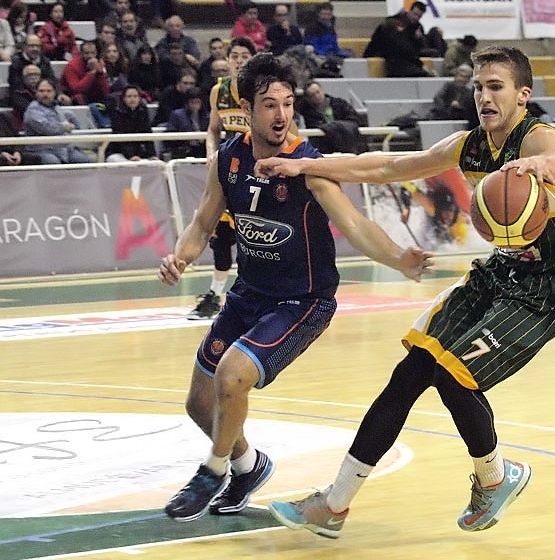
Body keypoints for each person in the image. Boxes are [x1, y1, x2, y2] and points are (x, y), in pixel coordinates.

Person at [257, 45, 555, 538]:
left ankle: (496, 477)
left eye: (496, 87)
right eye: (478, 87)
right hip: (501, 272)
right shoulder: (469, 145)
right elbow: (389, 166)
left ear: (522, 95)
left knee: (454, 376)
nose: (484, 97)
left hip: (549, 285)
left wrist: (540, 166)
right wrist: (306, 166)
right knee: (410, 373)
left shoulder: (536, 137)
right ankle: (333, 505)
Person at [156, 52, 432, 522]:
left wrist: (398, 258)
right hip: (249, 294)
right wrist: (181, 256)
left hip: (302, 301)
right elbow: (202, 223)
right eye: (270, 105)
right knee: (200, 404)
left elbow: (354, 224)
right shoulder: (228, 159)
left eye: (287, 103)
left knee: (232, 376)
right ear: (247, 108)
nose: (281, 114)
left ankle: (211, 472)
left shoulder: (307, 165)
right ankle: (248, 466)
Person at [185, 36, 255, 320]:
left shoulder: (262, 91)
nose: (238, 61)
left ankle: (259, 294)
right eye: (234, 56)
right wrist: (211, 152)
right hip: (230, 170)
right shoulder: (219, 91)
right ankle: (215, 295)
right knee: (222, 237)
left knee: (255, 239)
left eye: (244, 56)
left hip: (258, 171)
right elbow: (213, 129)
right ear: (227, 60)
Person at [23, 78, 92, 164]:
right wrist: (64, 127)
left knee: (87, 161)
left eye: (49, 91)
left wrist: (72, 124)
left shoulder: (57, 108)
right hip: (41, 150)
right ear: (36, 93)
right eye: (41, 91)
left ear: (54, 93)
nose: (45, 94)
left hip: (64, 149)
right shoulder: (32, 110)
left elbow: (74, 122)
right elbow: (47, 129)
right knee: (53, 162)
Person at [105, 84, 156, 162]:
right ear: (124, 98)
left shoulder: (143, 112)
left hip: (138, 153)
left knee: (154, 163)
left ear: (139, 98)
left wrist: (152, 155)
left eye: (135, 96)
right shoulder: (117, 113)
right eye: (129, 96)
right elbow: (120, 137)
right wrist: (130, 156)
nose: (132, 99)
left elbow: (148, 134)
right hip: (117, 152)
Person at [165, 87, 209, 159]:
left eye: (197, 102)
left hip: (202, 151)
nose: (195, 105)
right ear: (187, 102)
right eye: (192, 102)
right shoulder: (177, 115)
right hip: (183, 151)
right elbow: (169, 137)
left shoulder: (207, 116)